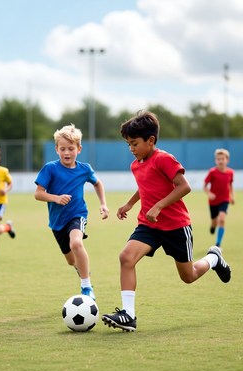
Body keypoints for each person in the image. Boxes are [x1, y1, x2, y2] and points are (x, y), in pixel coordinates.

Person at [102, 111, 231, 332]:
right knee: (126, 257)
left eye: (134, 143)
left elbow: (184, 186)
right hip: (149, 225)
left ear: (150, 141)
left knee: (188, 276)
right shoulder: (136, 165)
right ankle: (128, 315)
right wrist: (130, 204)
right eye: (128, 145)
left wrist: (160, 205)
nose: (131, 149)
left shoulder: (164, 159)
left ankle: (213, 258)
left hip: (175, 226)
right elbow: (146, 186)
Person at [34, 124, 109, 300]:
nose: (67, 153)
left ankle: (86, 287)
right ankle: (83, 271)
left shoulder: (85, 169)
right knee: (71, 260)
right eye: (62, 149)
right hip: (57, 222)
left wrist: (103, 204)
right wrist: (56, 198)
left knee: (76, 244)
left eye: (71, 148)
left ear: (79, 149)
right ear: (56, 149)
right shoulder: (50, 168)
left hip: (77, 215)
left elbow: (97, 183)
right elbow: (38, 194)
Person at [203, 148, 234, 247]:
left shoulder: (230, 173)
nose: (220, 161)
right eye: (218, 159)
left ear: (227, 160)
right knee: (214, 221)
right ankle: (213, 226)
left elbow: (230, 185)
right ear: (215, 160)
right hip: (213, 202)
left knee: (222, 219)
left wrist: (232, 196)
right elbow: (205, 186)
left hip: (224, 200)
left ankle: (218, 243)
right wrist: (209, 193)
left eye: (222, 159)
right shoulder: (212, 172)